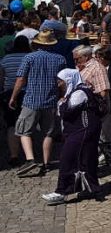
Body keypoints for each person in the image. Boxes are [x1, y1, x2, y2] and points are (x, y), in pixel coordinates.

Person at [9, 30, 67, 176]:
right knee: (48, 133)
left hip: (31, 101)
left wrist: (13, 97)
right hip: (50, 101)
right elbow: (62, 82)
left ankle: (30, 160)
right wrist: (63, 95)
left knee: (24, 131)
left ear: (36, 43)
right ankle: (46, 163)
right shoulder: (60, 59)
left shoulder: (29, 57)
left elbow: (21, 79)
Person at [41, 69, 102, 205]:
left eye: (61, 81)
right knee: (85, 159)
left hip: (83, 130)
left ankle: (61, 191)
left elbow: (66, 111)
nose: (58, 84)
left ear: (69, 80)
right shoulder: (75, 91)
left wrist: (61, 104)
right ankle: (92, 188)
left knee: (68, 158)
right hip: (81, 130)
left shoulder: (79, 93)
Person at [1, 35, 31, 166]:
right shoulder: (30, 58)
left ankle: (14, 155)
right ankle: (29, 153)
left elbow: (1, 78)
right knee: (27, 123)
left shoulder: (5, 59)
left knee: (11, 124)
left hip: (9, 93)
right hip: (27, 93)